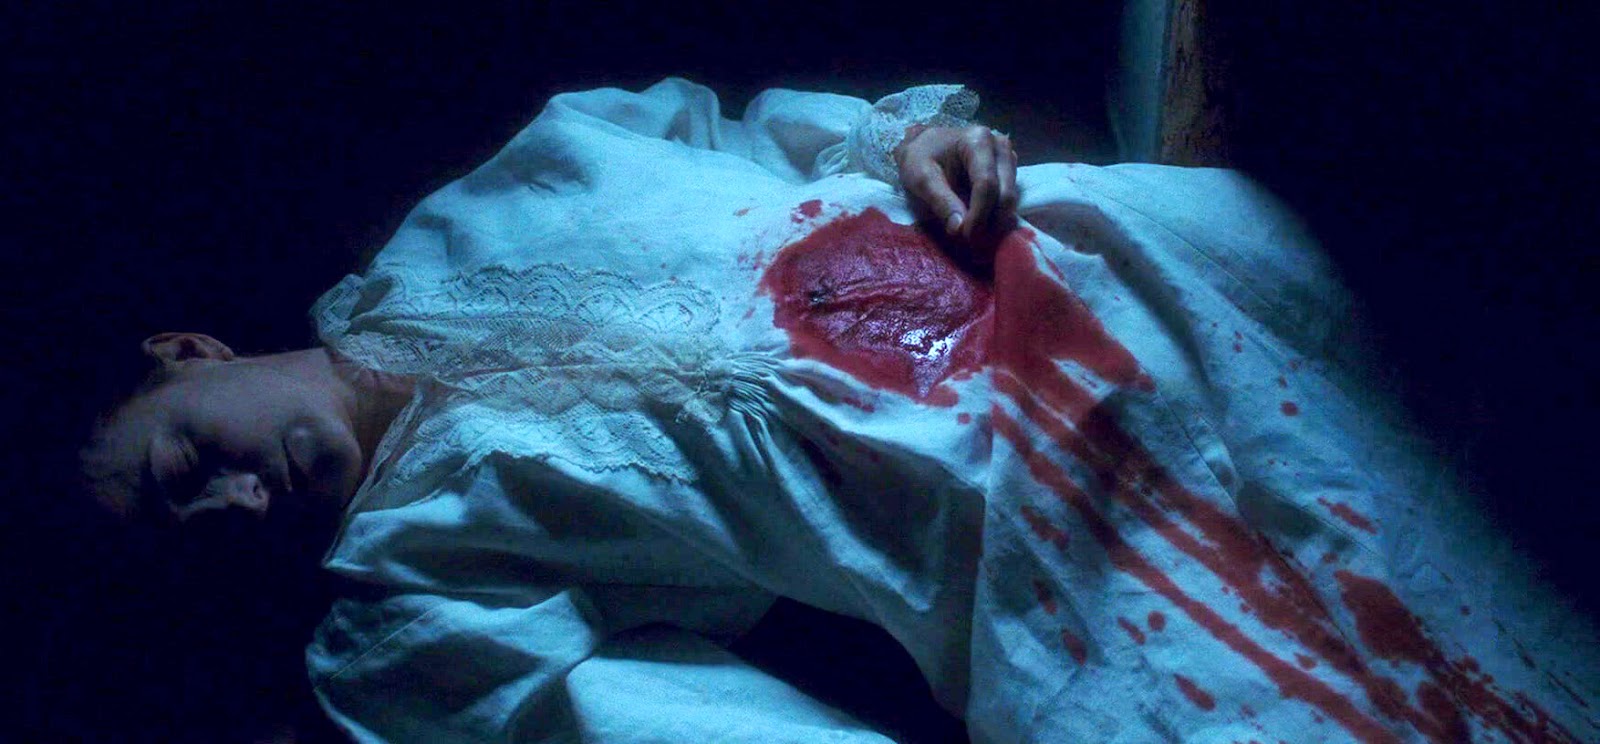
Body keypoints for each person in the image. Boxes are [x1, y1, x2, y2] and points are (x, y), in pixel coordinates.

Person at [82, 78, 1598, 743]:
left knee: (1460, 389)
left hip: (1075, 264)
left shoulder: (488, 199)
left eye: (178, 467)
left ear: (185, 353)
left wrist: (907, 145)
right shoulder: (399, 610)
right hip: (1021, 541)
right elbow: (641, 726)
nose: (238, 503)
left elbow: (742, 131)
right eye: (202, 536)